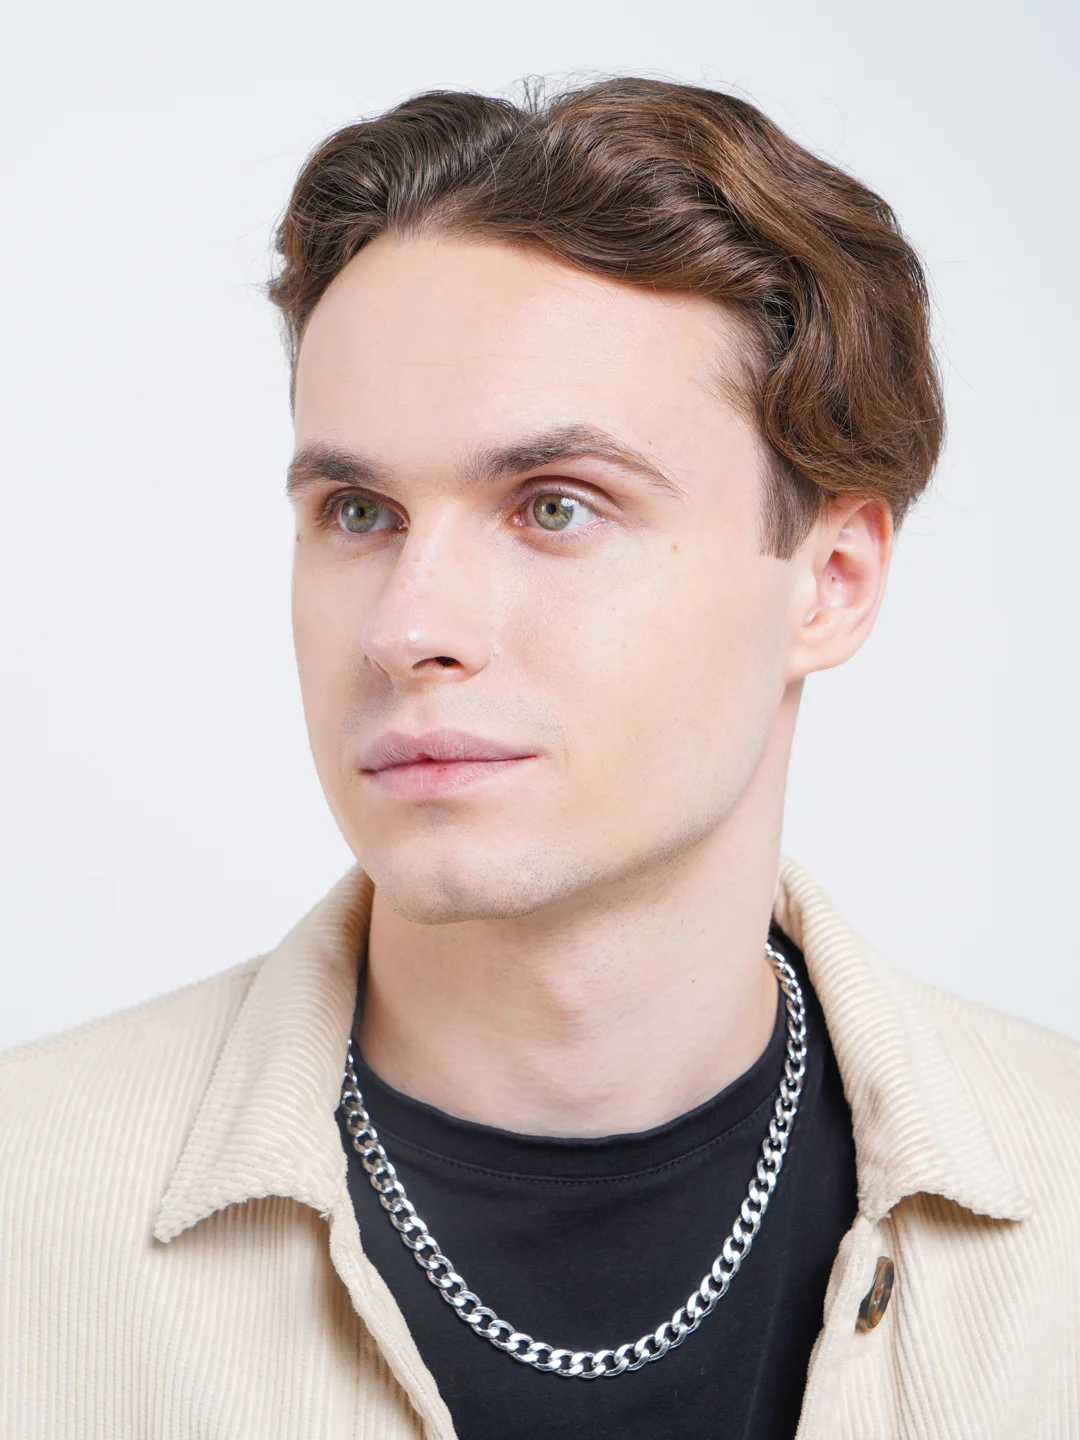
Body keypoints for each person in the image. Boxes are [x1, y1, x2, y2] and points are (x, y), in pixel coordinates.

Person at [1, 76, 1077, 1440]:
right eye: (357, 511)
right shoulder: (25, 1212)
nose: (405, 631)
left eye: (555, 507)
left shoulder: (1059, 1208)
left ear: (833, 581)